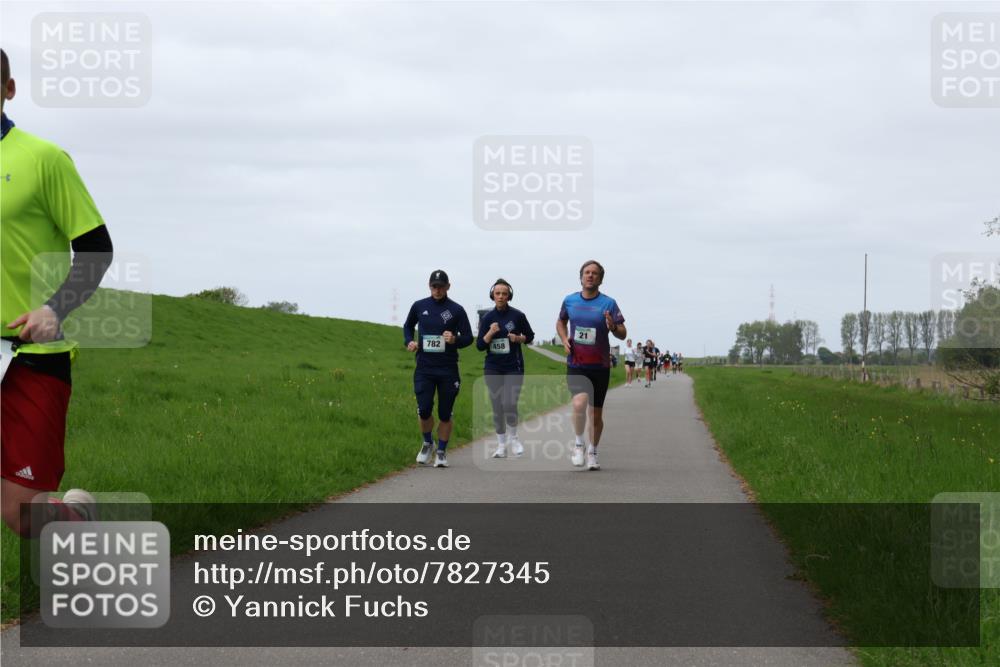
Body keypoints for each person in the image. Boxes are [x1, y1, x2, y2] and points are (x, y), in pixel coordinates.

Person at [1, 48, 113, 536]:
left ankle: (77, 513)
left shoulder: (43, 159)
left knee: (21, 515)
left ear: (8, 90)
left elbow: (95, 249)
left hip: (31, 354)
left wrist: (55, 307)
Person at [556, 260, 626, 471]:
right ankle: (579, 444)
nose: (590, 276)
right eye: (587, 272)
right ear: (581, 276)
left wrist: (613, 326)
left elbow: (623, 334)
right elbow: (560, 321)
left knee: (595, 415)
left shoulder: (609, 304)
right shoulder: (569, 300)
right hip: (576, 364)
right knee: (578, 404)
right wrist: (564, 338)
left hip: (600, 366)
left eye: (595, 273)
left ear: (600, 279)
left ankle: (592, 451)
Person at [403, 270, 472, 468]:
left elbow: (468, 337)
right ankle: (427, 443)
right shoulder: (419, 306)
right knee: (424, 410)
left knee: (444, 413)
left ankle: (441, 451)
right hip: (424, 368)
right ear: (429, 286)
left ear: (448, 286)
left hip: (448, 369)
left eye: (441, 286)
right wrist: (409, 341)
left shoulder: (456, 310)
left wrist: (455, 339)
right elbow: (407, 326)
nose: (438, 289)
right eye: (434, 286)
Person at [476, 279, 534, 459]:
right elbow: (479, 346)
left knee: (509, 403)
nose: (501, 296)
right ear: (492, 295)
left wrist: (519, 339)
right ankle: (501, 445)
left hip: (513, 366)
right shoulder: (486, 318)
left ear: (509, 296)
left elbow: (530, 336)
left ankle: (514, 438)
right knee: (497, 406)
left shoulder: (518, 316)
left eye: (504, 293)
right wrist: (490, 333)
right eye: (498, 293)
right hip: (493, 366)